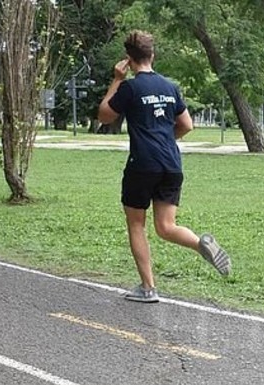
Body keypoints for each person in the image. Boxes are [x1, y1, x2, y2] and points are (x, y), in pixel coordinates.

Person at [96, 30, 230, 304]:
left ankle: (148, 288)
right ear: (152, 56)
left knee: (137, 224)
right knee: (166, 226)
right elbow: (187, 125)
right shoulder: (170, 87)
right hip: (171, 163)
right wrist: (165, 141)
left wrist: (117, 79)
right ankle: (200, 244)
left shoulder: (130, 87)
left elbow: (104, 115)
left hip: (142, 164)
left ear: (129, 59)